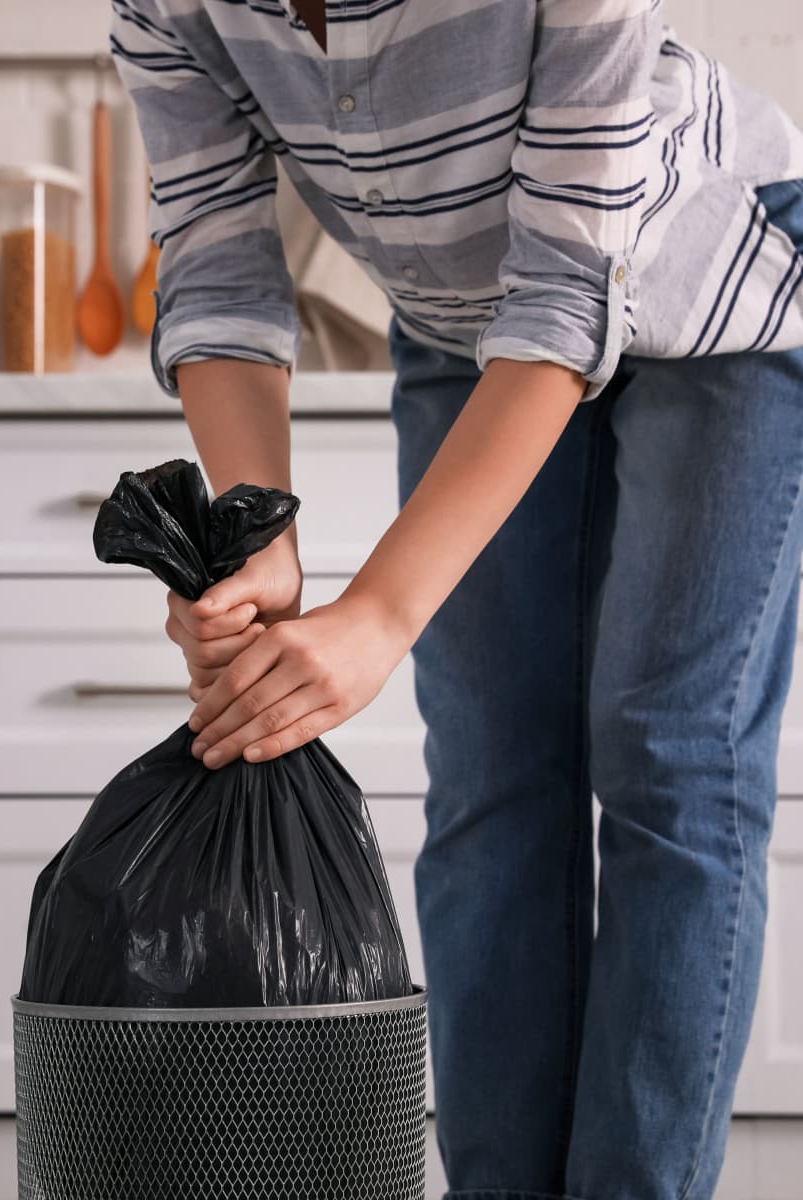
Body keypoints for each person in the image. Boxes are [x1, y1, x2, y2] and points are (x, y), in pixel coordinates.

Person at [110, 1, 803, 1197]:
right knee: (489, 770)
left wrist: (379, 612)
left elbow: (570, 292)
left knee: (666, 755)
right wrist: (258, 535)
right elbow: (217, 253)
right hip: (465, 319)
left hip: (720, 290)